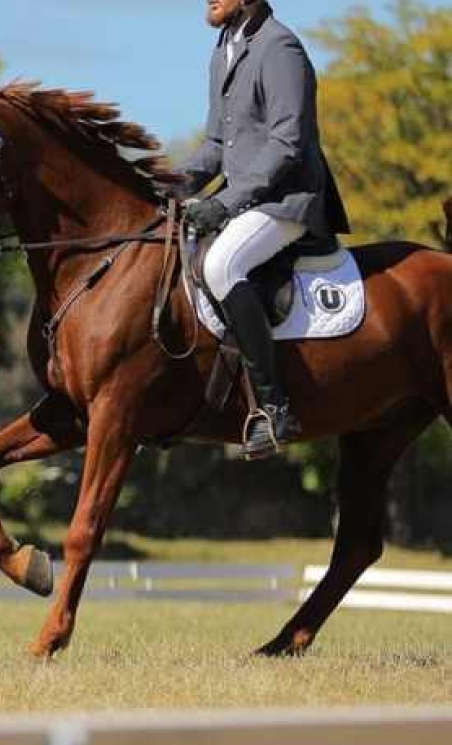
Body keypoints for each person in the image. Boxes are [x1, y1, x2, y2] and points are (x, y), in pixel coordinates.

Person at [179, 0, 350, 460]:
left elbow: (287, 142)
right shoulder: (224, 49)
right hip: (252, 201)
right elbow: (216, 143)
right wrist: (176, 184)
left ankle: (275, 409)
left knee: (221, 263)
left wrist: (224, 202)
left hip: (289, 200)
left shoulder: (279, 47)